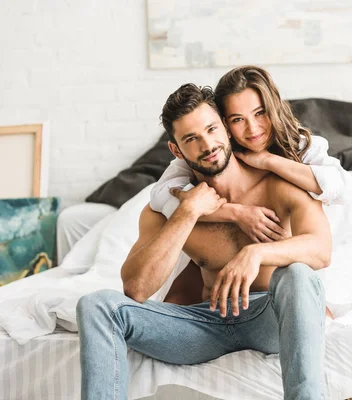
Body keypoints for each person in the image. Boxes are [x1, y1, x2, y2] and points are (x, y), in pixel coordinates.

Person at [76, 84, 333, 400]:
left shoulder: (281, 186)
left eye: (211, 129)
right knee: (97, 305)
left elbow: (321, 251)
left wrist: (255, 253)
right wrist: (187, 213)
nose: (207, 144)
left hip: (269, 318)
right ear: (177, 151)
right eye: (191, 138)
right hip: (204, 325)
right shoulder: (170, 206)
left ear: (225, 128)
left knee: (296, 273)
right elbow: (137, 288)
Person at [150, 65, 352, 243]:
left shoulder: (300, 145)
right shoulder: (211, 154)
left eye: (259, 113)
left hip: (312, 247)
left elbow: (341, 189)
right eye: (238, 119)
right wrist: (237, 213)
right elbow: (161, 198)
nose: (253, 129)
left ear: (273, 109)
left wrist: (268, 161)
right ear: (225, 125)